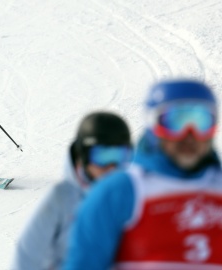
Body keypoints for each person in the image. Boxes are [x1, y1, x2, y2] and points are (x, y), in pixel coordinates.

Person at [63, 79, 222, 269]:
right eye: (175, 122)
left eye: (201, 121)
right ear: (153, 125)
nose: (189, 134)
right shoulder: (118, 192)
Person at [11, 112, 133, 270]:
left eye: (120, 156)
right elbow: (28, 254)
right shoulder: (63, 197)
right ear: (84, 154)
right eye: (102, 156)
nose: (111, 166)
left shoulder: (136, 195)